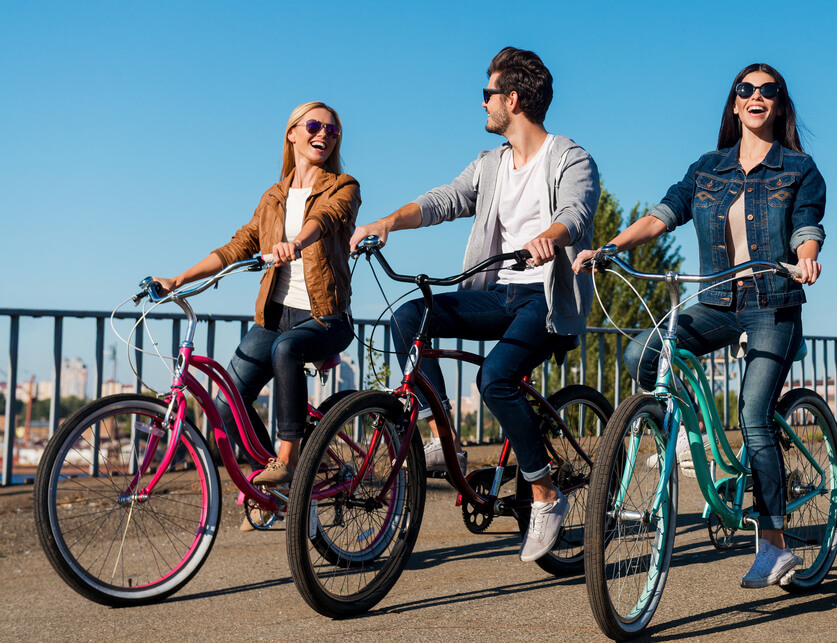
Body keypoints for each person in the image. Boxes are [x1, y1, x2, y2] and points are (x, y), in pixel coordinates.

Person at [574, 63, 827, 589]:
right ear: (734, 103)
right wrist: (610, 248)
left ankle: (774, 544)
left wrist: (806, 256)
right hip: (715, 302)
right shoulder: (707, 168)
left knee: (754, 413)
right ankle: (689, 437)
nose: (757, 96)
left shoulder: (799, 168)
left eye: (769, 90)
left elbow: (806, 225)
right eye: (746, 89)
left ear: (779, 104)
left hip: (772, 304)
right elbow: (662, 215)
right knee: (641, 353)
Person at [348, 47, 599, 563]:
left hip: (544, 298)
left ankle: (545, 494)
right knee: (408, 316)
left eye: (488, 93)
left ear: (513, 99)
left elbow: (577, 211)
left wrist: (549, 237)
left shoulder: (570, 157)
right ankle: (446, 441)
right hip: (496, 295)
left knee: (495, 378)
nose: (482, 103)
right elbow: (445, 199)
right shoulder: (491, 164)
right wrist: (386, 223)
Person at [155, 102, 359, 531]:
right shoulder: (272, 197)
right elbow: (237, 246)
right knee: (227, 401)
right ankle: (274, 485)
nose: (324, 134)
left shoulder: (343, 186)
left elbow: (326, 220)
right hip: (275, 316)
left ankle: (288, 461)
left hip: (326, 317)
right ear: (292, 133)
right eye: (314, 125)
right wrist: (178, 279)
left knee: (286, 349)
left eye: (333, 130)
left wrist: (296, 243)